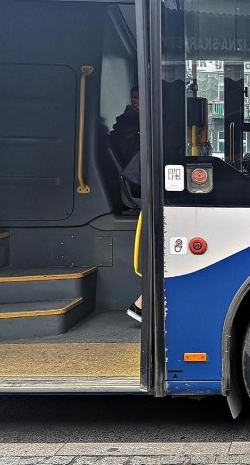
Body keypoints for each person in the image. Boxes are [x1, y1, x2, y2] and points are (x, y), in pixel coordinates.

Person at [109, 86, 144, 323]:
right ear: (136, 100)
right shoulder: (131, 127)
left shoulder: (131, 123)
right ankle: (142, 304)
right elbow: (139, 166)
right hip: (139, 188)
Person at [110, 86, 140, 167]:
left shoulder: (145, 120)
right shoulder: (126, 124)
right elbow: (131, 160)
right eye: (135, 98)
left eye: (140, 98)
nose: (137, 101)